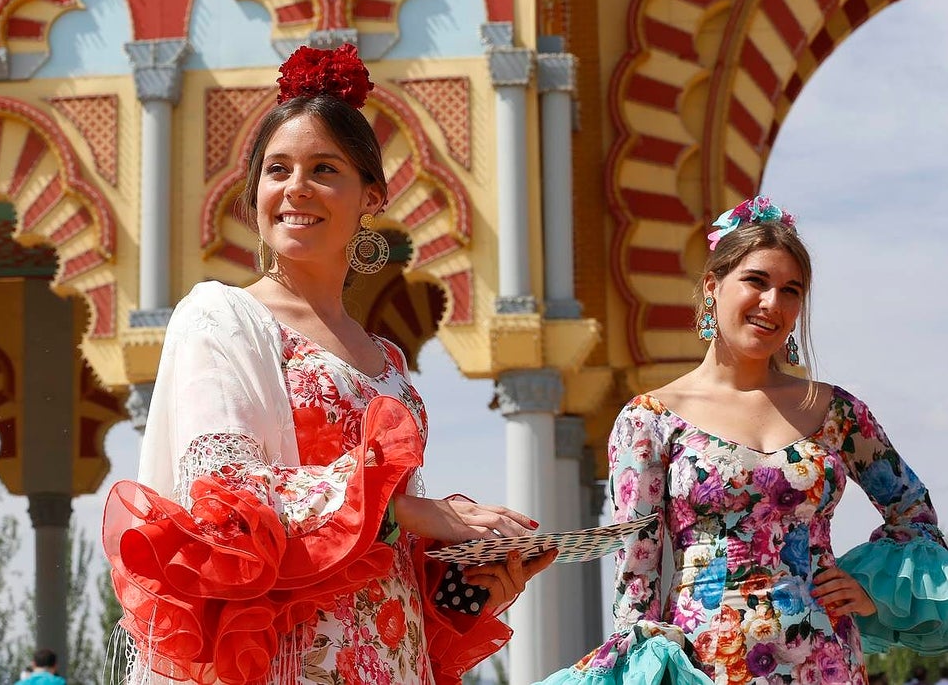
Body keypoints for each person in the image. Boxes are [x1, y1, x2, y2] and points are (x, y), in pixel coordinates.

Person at [102, 43, 555, 685]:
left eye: (324, 169)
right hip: (287, 660)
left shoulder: (387, 362)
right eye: (277, 169)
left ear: (371, 195)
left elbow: (383, 553)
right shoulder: (224, 320)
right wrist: (411, 513)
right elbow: (224, 501)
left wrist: (470, 578)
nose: (295, 189)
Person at [535, 196, 948, 685]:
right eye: (756, 281)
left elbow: (914, 512)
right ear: (713, 287)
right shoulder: (649, 420)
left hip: (826, 658)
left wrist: (866, 587)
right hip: (708, 661)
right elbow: (637, 578)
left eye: (791, 290)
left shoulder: (836, 412)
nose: (773, 302)